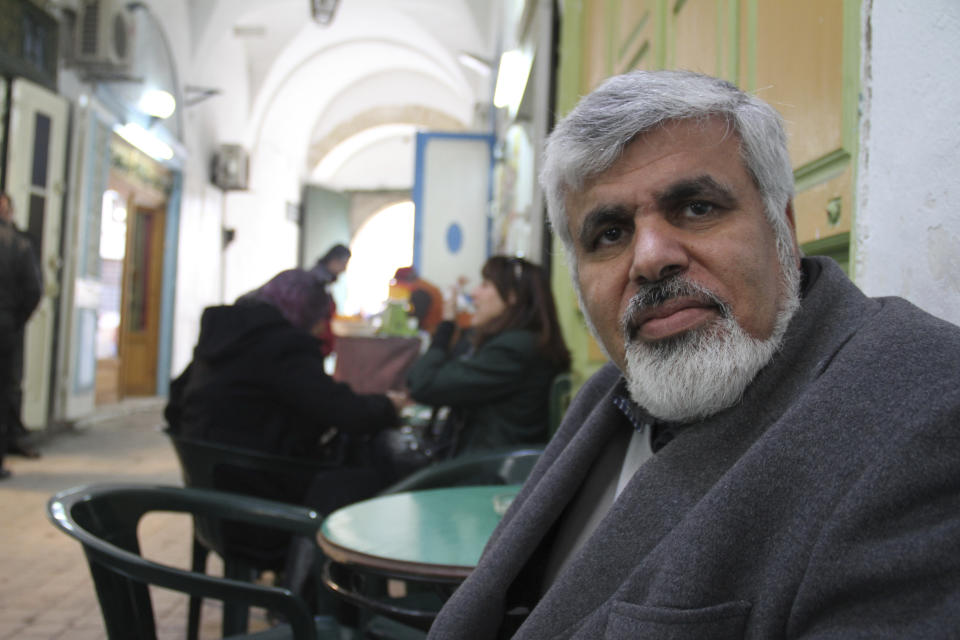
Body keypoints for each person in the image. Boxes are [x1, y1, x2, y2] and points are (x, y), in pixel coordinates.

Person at [427, 70, 960, 639]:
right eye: (609, 234)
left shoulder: (927, 405)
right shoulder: (609, 394)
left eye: (697, 208)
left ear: (782, 227)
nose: (650, 258)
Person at [165, 270, 405, 512]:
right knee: (382, 481)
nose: (322, 328)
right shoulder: (282, 345)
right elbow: (344, 412)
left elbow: (174, 407)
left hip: (211, 496)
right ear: (304, 310)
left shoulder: (223, 338)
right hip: (262, 503)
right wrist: (389, 405)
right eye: (320, 316)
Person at [404, 255, 570, 455]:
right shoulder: (527, 342)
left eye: (484, 285)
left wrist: (446, 326)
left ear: (511, 296)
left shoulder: (513, 350)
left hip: (487, 473)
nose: (474, 293)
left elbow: (422, 384)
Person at [237, 243, 351, 356]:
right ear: (334, 261)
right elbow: (297, 324)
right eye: (344, 264)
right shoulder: (315, 288)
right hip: (265, 338)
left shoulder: (306, 281)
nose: (344, 270)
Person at [0, 193, 43, 478]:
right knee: (4, 393)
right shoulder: (18, 244)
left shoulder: (19, 243)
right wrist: (16, 321)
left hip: (7, 326)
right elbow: (34, 291)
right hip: (7, 329)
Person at [390, 266, 445, 333]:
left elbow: (416, 317)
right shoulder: (423, 285)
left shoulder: (420, 292)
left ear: (407, 281)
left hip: (432, 330)